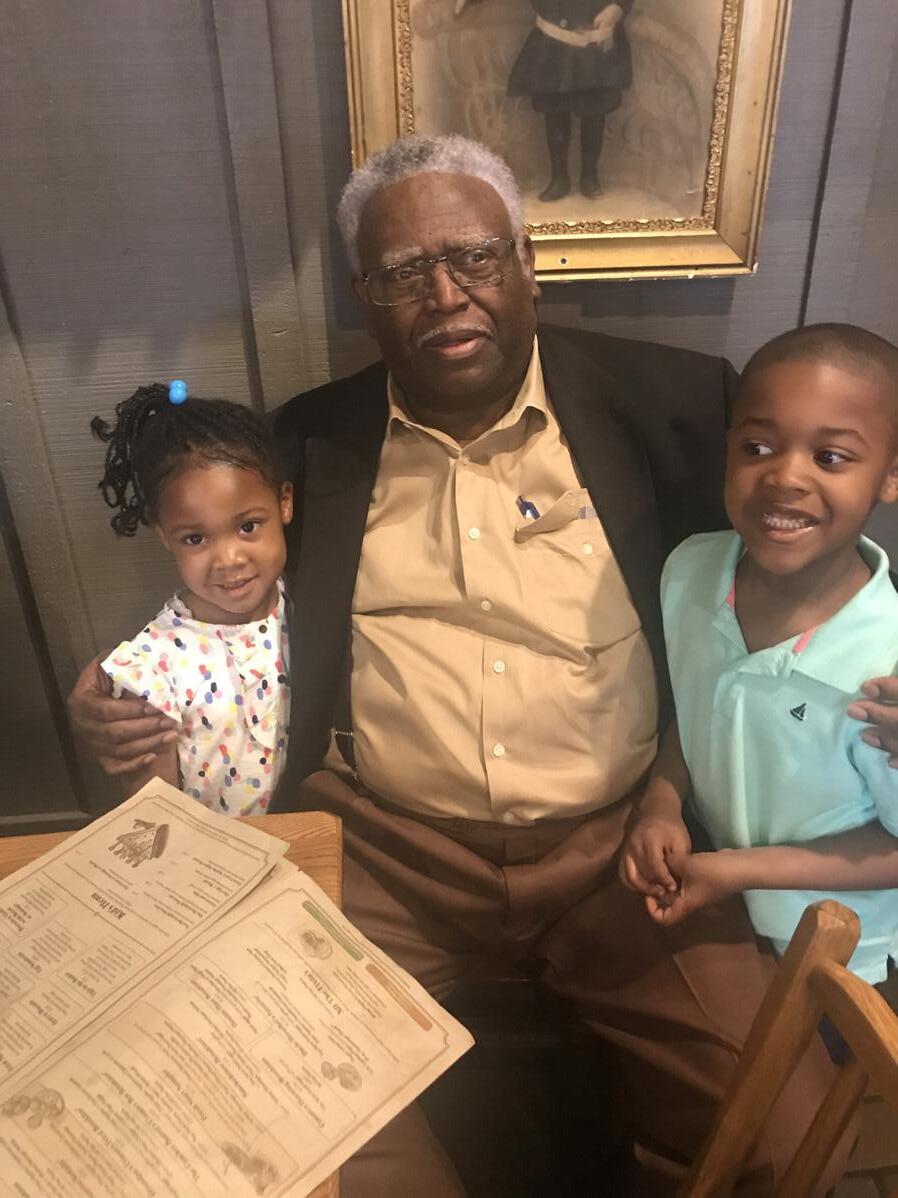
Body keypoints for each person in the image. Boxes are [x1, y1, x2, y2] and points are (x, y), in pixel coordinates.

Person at [67, 134, 898, 1196]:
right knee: (268, 1096)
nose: (445, 294)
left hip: (618, 849)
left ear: (526, 262)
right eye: (403, 272)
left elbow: (804, 542)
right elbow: (224, 597)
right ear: (366, 300)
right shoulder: (309, 442)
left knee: (785, 1129)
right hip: (382, 844)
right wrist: (124, 698)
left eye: (473, 256)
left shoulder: (678, 402)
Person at [620, 325, 898, 985]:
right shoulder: (690, 571)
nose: (785, 477)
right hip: (721, 915)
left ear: (890, 476)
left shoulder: (885, 665)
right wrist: (661, 801)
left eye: (830, 457)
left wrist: (737, 870)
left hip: (843, 958)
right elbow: (700, 709)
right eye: (757, 447)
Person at [90, 380, 293, 814]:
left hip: (317, 837)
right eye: (196, 538)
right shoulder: (151, 670)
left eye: (248, 526)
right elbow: (154, 815)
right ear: (165, 536)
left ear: (284, 503)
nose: (229, 560)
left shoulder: (313, 603)